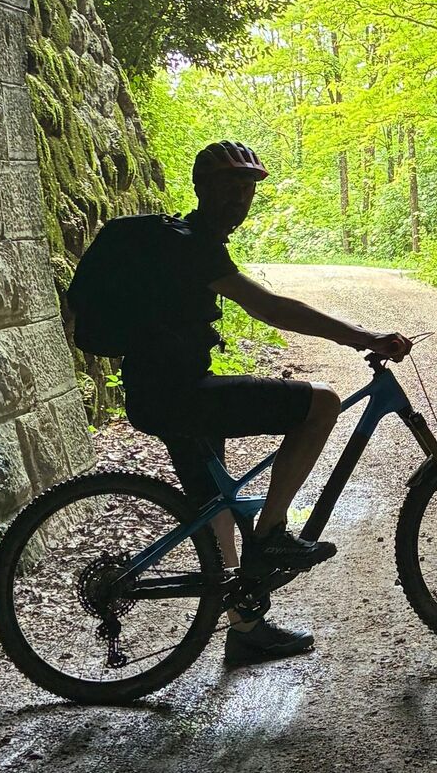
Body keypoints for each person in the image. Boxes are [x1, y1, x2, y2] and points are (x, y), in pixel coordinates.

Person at [119, 140, 411, 666]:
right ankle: (272, 533)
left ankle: (246, 627)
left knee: (216, 509)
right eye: (228, 187)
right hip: (180, 395)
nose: (239, 198)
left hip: (162, 392)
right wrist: (362, 336)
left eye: (246, 189)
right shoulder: (194, 246)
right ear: (201, 188)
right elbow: (270, 308)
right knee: (321, 404)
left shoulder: (187, 239)